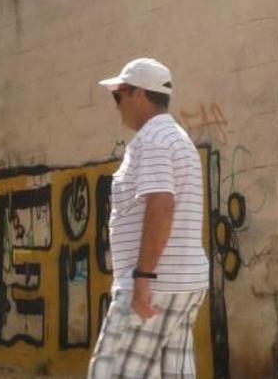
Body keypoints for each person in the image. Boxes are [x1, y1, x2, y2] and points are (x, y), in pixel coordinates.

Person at [88, 58, 209, 379]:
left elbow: (161, 205)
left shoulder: (153, 140)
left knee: (109, 372)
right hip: (182, 281)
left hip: (156, 283)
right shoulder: (177, 139)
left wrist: (143, 277)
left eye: (119, 95)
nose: (117, 106)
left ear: (140, 94)